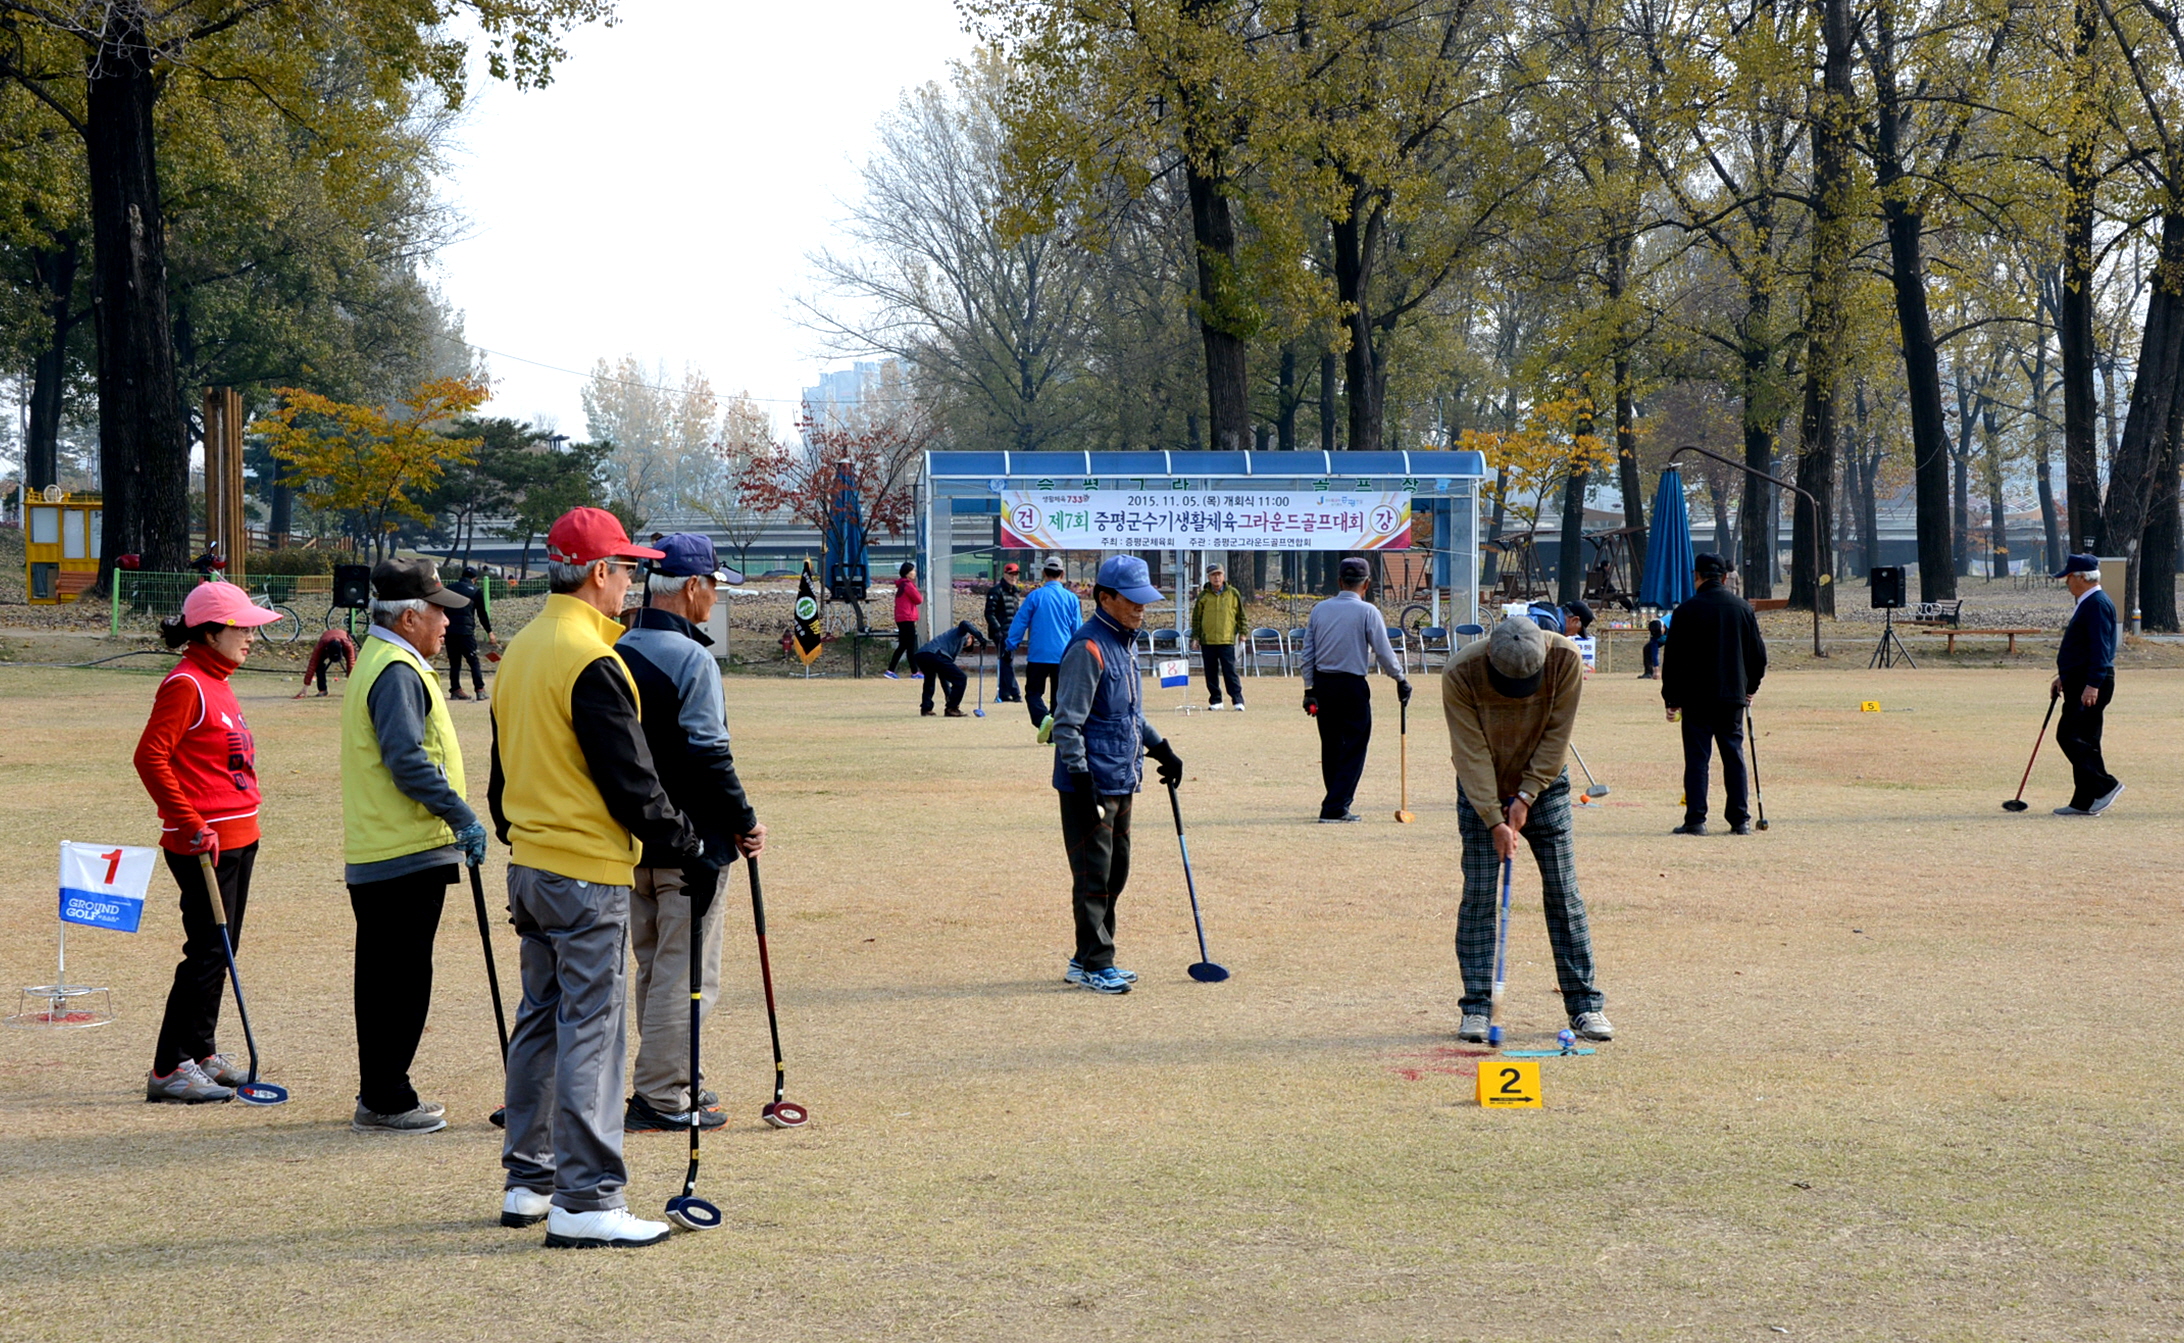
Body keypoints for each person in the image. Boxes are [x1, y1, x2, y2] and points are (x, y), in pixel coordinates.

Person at [488, 506, 704, 1249]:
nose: (632, 582)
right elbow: (631, 782)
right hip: (585, 871)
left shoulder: (521, 649)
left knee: (541, 1020)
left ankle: (530, 1179)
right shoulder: (592, 659)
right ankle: (586, 1196)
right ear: (596, 572)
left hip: (531, 864)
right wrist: (688, 843)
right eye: (626, 568)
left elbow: (499, 776)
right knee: (595, 1032)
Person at [616, 534, 768, 1131]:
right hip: (693, 845)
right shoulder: (692, 658)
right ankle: (662, 1094)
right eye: (713, 584)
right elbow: (710, 754)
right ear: (690, 588)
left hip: (635, 842)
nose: (715, 596)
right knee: (686, 973)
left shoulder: (618, 647)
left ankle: (680, 1077)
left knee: (655, 966)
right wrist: (744, 820)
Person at [341, 558, 485, 1135]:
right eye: (438, 613)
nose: (447, 623)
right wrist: (460, 815)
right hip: (402, 851)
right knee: (398, 981)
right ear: (407, 618)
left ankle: (383, 1090)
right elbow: (407, 760)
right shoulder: (397, 668)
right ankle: (386, 1097)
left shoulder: (387, 658)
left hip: (390, 848)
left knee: (388, 978)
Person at [133, 581, 286, 1104]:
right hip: (204, 843)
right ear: (211, 631)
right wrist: (191, 821)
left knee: (222, 950)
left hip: (241, 836)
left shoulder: (219, 679)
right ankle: (168, 1067)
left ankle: (200, 1052)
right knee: (204, 952)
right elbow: (149, 757)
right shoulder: (186, 684)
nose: (249, 637)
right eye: (241, 628)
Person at [1442, 615, 1612, 1044]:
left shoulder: (1566, 659)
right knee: (1480, 895)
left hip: (1547, 788)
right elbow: (1470, 752)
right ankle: (1477, 1008)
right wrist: (1495, 818)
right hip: (1483, 790)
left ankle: (1585, 1005)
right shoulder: (1461, 672)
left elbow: (1557, 734)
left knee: (1563, 891)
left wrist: (1527, 795)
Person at [1050, 555, 1184, 994]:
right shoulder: (1087, 647)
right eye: (1133, 601)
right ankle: (1096, 962)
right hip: (1088, 782)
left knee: (1115, 872)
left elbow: (1129, 715)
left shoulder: (1124, 644)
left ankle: (1085, 956)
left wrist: (1162, 748)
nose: (1141, 609)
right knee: (1094, 874)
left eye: (1145, 602)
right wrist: (1082, 779)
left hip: (1122, 776)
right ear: (1105, 598)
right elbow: (1067, 723)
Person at [1661, 552, 1767, 835]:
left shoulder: (1685, 611)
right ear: (1723, 577)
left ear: (1696, 576)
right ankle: (1740, 819)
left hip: (1695, 697)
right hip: (1732, 695)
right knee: (1733, 756)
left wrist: (1671, 698)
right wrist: (1750, 688)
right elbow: (1758, 656)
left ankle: (1696, 819)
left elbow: (1672, 660)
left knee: (1697, 759)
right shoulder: (1743, 609)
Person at [1298, 556, 1412, 822]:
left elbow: (1307, 654)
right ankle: (1335, 806)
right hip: (1352, 685)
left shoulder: (1319, 610)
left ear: (1339, 581)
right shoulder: (1368, 612)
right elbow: (1383, 652)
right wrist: (1400, 679)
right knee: (1355, 746)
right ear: (1367, 584)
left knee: (1331, 746)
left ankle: (1337, 802)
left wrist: (1308, 688)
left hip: (1323, 683)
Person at [2051, 554, 2122, 816]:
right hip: (2079, 679)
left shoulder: (2096, 604)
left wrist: (2092, 684)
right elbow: (2083, 648)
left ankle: (2104, 785)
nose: (2066, 583)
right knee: (2087, 739)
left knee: (2069, 735)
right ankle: (2084, 800)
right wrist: (2064, 676)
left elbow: (2100, 648)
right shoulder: (2088, 602)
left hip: (2091, 682)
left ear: (2082, 577)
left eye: (2069, 578)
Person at [1007, 556, 1084, 738]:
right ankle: (1055, 735)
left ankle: (1042, 719)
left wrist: (1012, 643)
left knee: (1033, 693)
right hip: (1063, 655)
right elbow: (1078, 629)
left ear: (1043, 573)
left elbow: (1020, 621)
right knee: (1059, 697)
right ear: (1062, 574)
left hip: (1038, 655)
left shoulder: (1035, 596)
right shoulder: (1071, 598)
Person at [1190, 564, 1247, 711]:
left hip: (1226, 639)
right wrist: (1195, 637)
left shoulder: (1233, 593)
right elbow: (1196, 618)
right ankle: (1216, 700)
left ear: (1223, 576)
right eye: (1213, 575)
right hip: (1207, 640)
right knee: (1211, 672)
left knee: (1230, 671)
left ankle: (1237, 700)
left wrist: (1243, 632)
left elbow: (1241, 615)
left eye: (1219, 574)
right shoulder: (1203, 596)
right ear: (1208, 577)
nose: (1217, 577)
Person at [913, 619, 990, 717]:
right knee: (961, 678)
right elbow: (964, 623)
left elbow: (943, 677)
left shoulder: (950, 644)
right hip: (936, 653)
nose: (966, 646)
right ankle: (952, 708)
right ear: (971, 636)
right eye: (971, 642)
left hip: (922, 654)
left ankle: (926, 709)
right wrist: (980, 637)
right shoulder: (962, 633)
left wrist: (949, 696)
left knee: (929, 681)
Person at [443, 566, 494, 700]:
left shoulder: (449, 588)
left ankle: (455, 690)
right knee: (473, 661)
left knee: (454, 662)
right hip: (465, 632)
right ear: (474, 579)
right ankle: (480, 689)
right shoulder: (475, 591)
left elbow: (441, 610)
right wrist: (489, 632)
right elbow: (482, 614)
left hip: (449, 631)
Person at [984, 563, 1024, 703]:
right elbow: (989, 613)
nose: (1013, 577)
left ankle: (1004, 692)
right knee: (1007, 661)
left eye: (1015, 574)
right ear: (1004, 574)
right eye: (1011, 574)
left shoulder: (1015, 592)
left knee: (1006, 660)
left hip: (1011, 632)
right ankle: (1016, 692)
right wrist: (997, 629)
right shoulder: (996, 591)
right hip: (1001, 633)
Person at [885, 561, 923, 677]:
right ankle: (914, 672)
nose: (914, 572)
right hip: (907, 618)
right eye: (913, 571)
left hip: (901, 618)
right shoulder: (907, 585)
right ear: (907, 573)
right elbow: (918, 599)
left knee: (905, 645)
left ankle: (893, 670)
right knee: (909, 646)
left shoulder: (902, 584)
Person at [298, 625, 357, 698]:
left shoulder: (347, 645)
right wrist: (305, 686)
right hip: (326, 642)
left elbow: (351, 664)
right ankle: (322, 690)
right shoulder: (321, 645)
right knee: (318, 665)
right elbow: (312, 664)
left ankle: (356, 688)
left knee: (355, 665)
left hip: (343, 641)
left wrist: (353, 687)